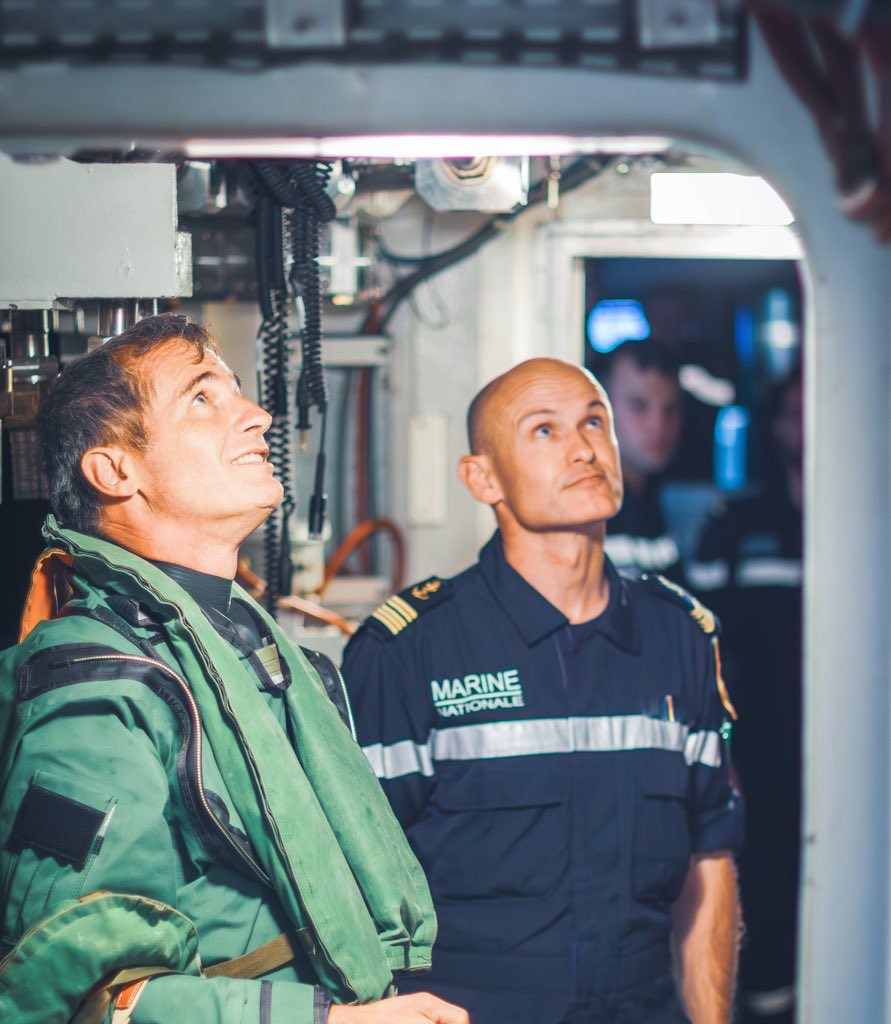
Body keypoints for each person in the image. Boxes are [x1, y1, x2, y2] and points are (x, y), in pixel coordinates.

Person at [0, 313, 467, 1024]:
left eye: (239, 393)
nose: (257, 416)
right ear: (114, 470)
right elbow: (88, 1000)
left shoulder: (244, 651)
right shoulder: (96, 693)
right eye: (201, 398)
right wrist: (330, 1022)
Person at [342, 357, 744, 1024]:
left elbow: (709, 857)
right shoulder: (408, 651)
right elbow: (351, 884)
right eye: (543, 431)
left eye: (593, 422)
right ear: (482, 477)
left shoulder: (679, 637)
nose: (583, 448)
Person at [688, 367, 803, 1024]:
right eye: (790, 414)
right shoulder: (735, 524)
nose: (803, 428)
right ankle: (765, 998)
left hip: (850, 744)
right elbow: (701, 643)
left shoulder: (863, 519)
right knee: (754, 860)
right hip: (757, 737)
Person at [601, 339, 686, 583]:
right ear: (600, 410)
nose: (658, 426)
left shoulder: (658, 500)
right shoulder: (584, 513)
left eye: (671, 409)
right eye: (639, 406)